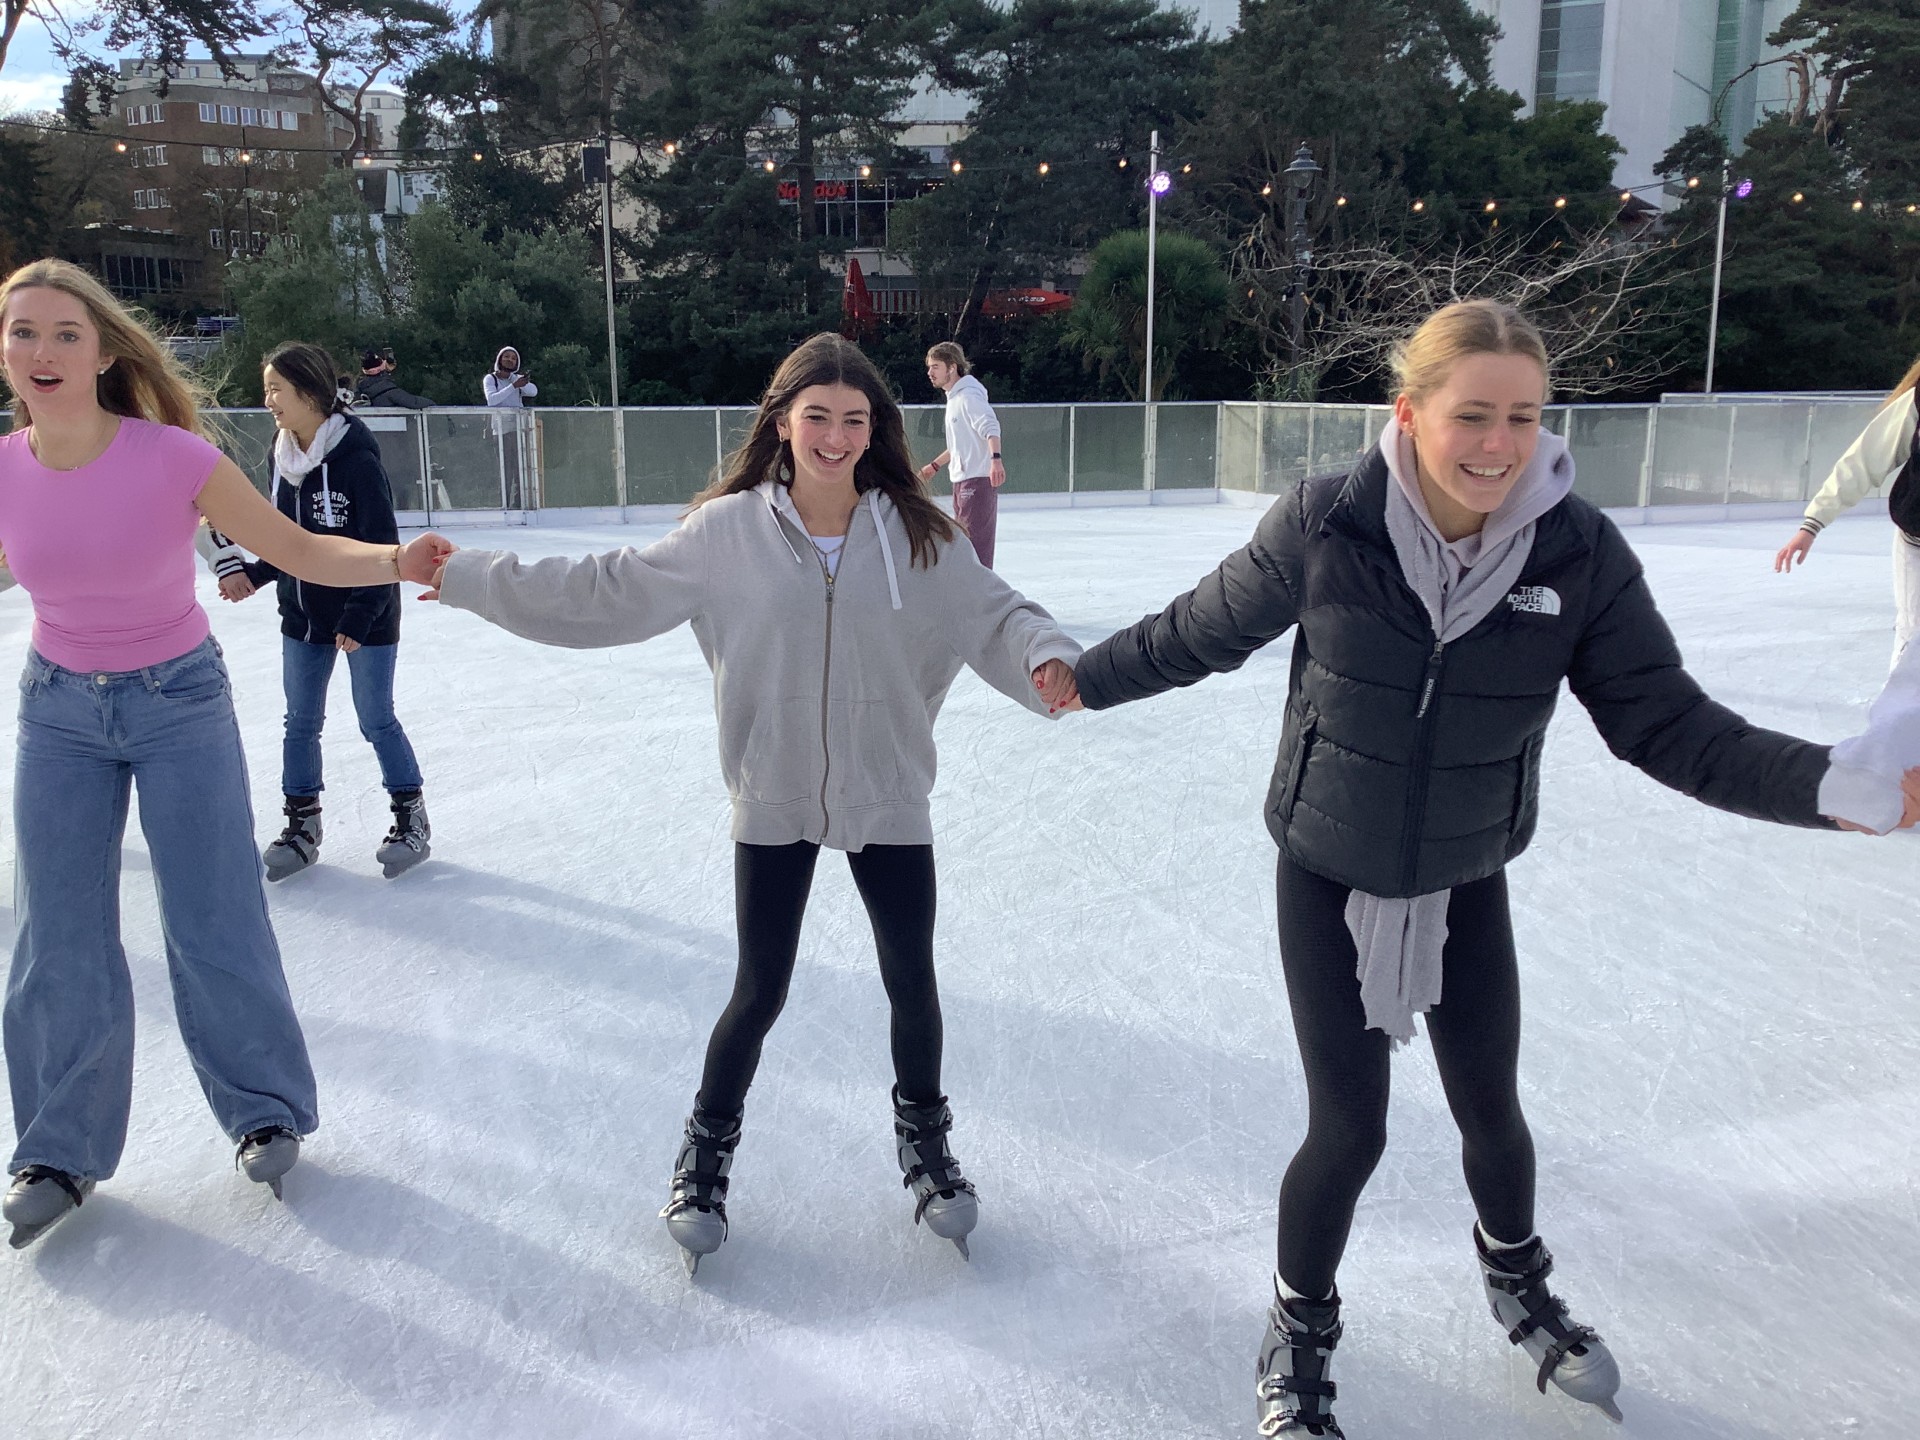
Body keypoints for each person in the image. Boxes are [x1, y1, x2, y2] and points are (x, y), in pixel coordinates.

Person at [1062, 299, 1920, 1437]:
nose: (1499, 444)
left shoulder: (1576, 552)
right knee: (1349, 1131)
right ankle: (1299, 1327)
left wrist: (1826, 787)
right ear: (1409, 413)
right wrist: (1082, 679)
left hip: (1466, 875)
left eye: (1523, 416)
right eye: (1472, 414)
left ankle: (1517, 1277)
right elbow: (1197, 631)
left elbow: (1667, 725)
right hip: (1327, 866)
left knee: (1493, 1116)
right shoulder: (1327, 523)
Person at [401, 332, 1080, 1275]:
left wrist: (1046, 655)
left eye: (854, 419)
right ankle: (705, 1155)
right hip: (773, 788)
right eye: (817, 417)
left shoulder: (922, 536)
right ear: (783, 422)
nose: (836, 437)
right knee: (759, 988)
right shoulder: (726, 535)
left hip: (886, 789)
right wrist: (471, 576)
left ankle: (927, 1150)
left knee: (911, 980)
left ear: (876, 427)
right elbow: (606, 592)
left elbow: (997, 614)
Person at [0, 258, 444, 1247]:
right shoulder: (4, 470)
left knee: (214, 916)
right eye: (23, 331)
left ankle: (264, 1111)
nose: (42, 351)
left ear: (103, 352)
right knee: (55, 935)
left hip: (178, 704)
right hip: (57, 713)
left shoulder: (170, 456)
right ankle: (57, 1149)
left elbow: (295, 546)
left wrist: (392, 558)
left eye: (66, 332)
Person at [204, 340, 430, 882]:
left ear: (309, 391)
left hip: (366, 613)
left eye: (276, 389)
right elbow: (287, 540)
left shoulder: (356, 459)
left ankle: (411, 820)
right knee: (300, 722)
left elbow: (383, 548)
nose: (268, 401)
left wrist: (358, 617)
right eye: (266, 390)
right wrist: (256, 574)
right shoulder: (281, 455)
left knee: (375, 718)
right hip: (303, 613)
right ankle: (302, 827)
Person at [1774, 354, 1920, 666]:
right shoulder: (1917, 402)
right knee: (1914, 641)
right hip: (1916, 546)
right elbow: (1862, 462)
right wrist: (1813, 523)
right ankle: (1903, 699)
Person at [918, 342, 1005, 567]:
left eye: (935, 366)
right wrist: (934, 465)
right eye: (929, 367)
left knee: (974, 547)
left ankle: (980, 589)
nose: (930, 373)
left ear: (952, 367)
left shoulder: (968, 397)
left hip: (977, 480)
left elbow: (991, 427)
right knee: (965, 544)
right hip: (962, 481)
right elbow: (959, 444)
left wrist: (995, 460)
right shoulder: (954, 399)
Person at [354, 346, 435, 410]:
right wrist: (433, 404)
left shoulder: (360, 389)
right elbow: (414, 402)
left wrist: (386, 372)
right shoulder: (388, 390)